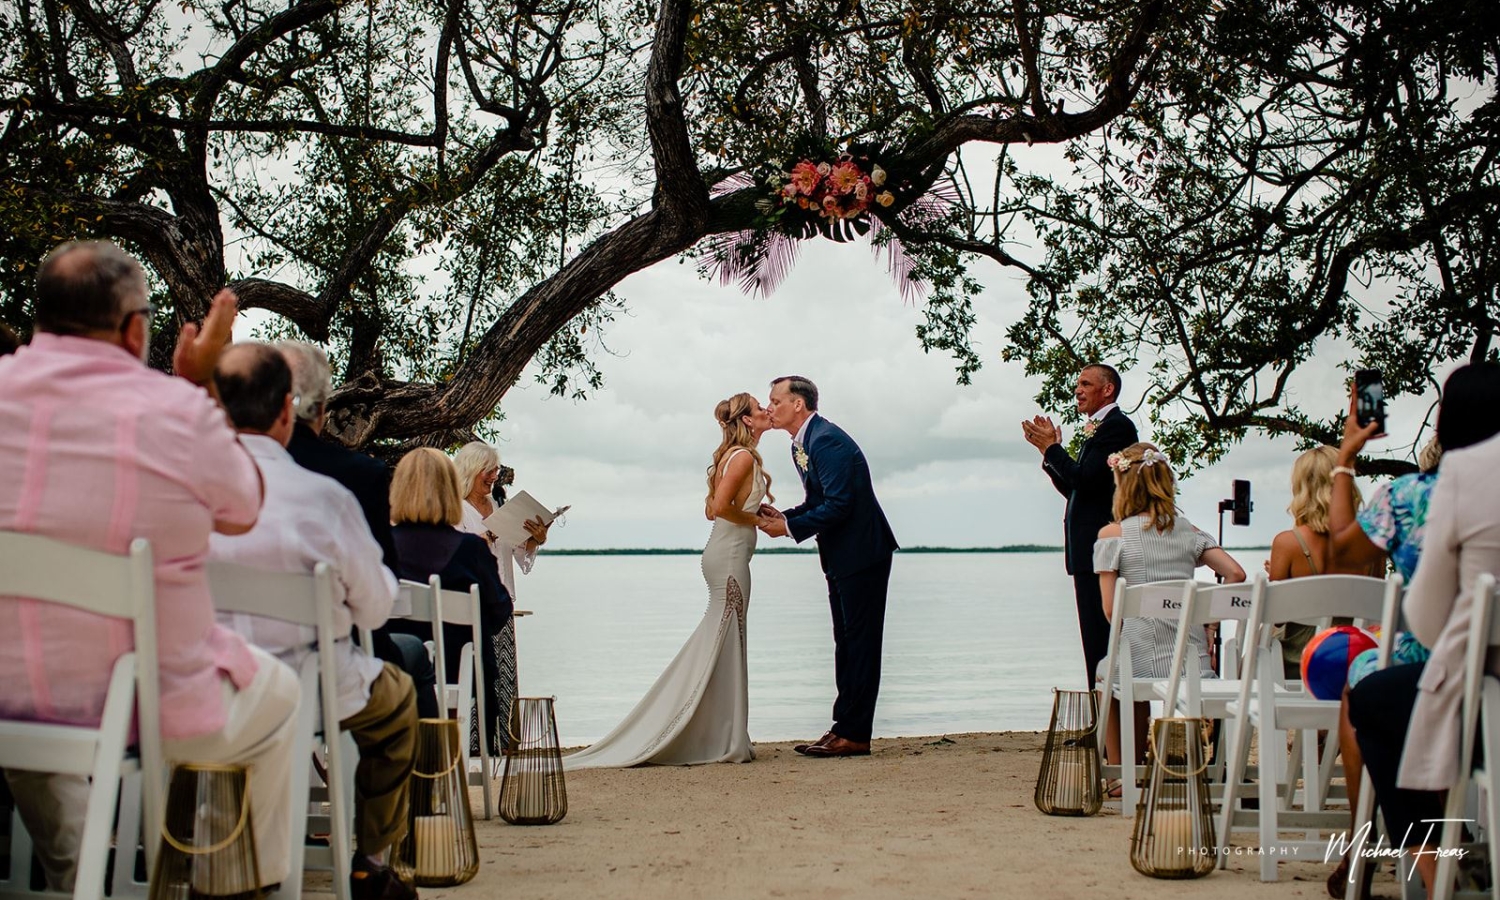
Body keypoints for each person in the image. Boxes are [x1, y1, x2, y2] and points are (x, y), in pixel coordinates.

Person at [0, 241, 299, 891]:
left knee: (30, 698)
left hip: (10, 693)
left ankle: (83, 880)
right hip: (148, 706)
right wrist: (197, 386)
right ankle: (232, 886)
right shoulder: (177, 410)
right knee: (280, 697)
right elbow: (244, 506)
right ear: (137, 331)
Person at [208, 343, 418, 900]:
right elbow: (375, 610)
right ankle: (371, 862)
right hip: (316, 684)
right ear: (287, 410)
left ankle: (212, 854)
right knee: (398, 702)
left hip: (205, 682)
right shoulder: (327, 497)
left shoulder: (187, 489)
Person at [1348, 361, 1500, 896]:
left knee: (1370, 698)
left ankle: (1435, 876)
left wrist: (1347, 459)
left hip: (1483, 703)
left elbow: (1431, 620)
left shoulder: (1455, 481)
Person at [566, 392, 773, 768]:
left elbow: (713, 508)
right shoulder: (741, 457)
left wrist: (754, 510)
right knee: (726, 640)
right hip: (728, 559)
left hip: (726, 554)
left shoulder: (733, 457)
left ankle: (722, 730)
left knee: (724, 641)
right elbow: (721, 509)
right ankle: (718, 733)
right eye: (759, 409)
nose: (766, 412)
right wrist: (757, 519)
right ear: (746, 420)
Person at [1322, 387, 1444, 898]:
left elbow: (1344, 551)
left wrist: (1346, 459)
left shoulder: (1415, 495)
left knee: (1365, 686)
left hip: (1438, 673)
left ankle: (1364, 841)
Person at [277, 340, 437, 718]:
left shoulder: (227, 472)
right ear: (320, 408)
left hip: (242, 670)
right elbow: (379, 600)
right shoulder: (358, 476)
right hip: (333, 670)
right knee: (412, 652)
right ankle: (424, 773)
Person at [759, 376, 898, 758]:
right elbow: (818, 499)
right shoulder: (803, 444)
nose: (769, 407)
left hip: (863, 553)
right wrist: (784, 515)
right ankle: (843, 728)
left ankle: (855, 734)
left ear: (798, 404)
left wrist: (787, 528)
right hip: (841, 555)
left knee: (861, 644)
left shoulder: (826, 440)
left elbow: (839, 505)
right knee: (846, 643)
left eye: (775, 400)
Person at [1094, 443, 1246, 771]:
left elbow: (1111, 610)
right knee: (1123, 669)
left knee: (1111, 673)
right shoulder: (1190, 532)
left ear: (1125, 486)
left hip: (1138, 661)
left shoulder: (1112, 536)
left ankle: (1122, 773)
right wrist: (1210, 626)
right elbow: (1235, 574)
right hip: (1192, 664)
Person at [386, 449, 512, 754]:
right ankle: (448, 756)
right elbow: (499, 613)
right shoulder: (470, 550)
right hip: (460, 673)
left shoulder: (380, 546)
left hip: (390, 671)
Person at [1022, 363, 1138, 687]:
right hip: (1088, 553)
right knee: (1093, 643)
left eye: (1086, 384)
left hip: (1100, 551)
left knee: (1101, 642)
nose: (1078, 390)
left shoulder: (1116, 427)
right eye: (1078, 385)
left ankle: (1106, 727)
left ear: (1108, 389)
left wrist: (1053, 449)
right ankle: (1100, 724)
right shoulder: (1098, 429)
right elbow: (1077, 491)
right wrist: (1049, 457)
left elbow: (1083, 480)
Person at [452, 441, 549, 748]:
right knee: (473, 672)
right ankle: (472, 745)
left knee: (504, 675)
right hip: (468, 605)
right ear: (471, 470)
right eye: (488, 470)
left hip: (501, 603)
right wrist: (488, 535)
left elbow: (516, 554)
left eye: (495, 469)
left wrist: (535, 540)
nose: (494, 475)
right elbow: (455, 554)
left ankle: (505, 743)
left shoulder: (498, 506)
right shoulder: (454, 509)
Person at [1268, 445, 1380, 675]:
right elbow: (1376, 609)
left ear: (1301, 488)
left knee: (1252, 654)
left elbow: (1275, 619)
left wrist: (1283, 583)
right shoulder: (1372, 540)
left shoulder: (1288, 544)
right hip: (1356, 658)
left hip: (1300, 661)